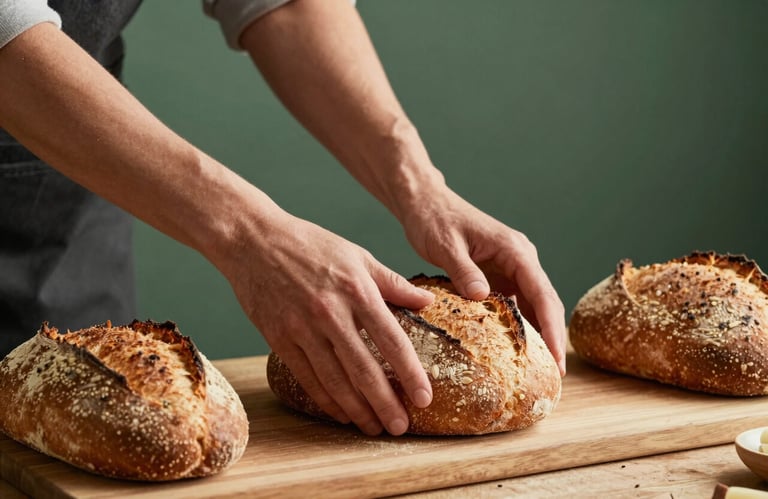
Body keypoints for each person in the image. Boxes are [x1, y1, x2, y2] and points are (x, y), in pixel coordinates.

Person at [0, 0, 566, 436]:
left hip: (63, 196)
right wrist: (250, 234)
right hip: (47, 111)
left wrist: (421, 186)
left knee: (107, 426)